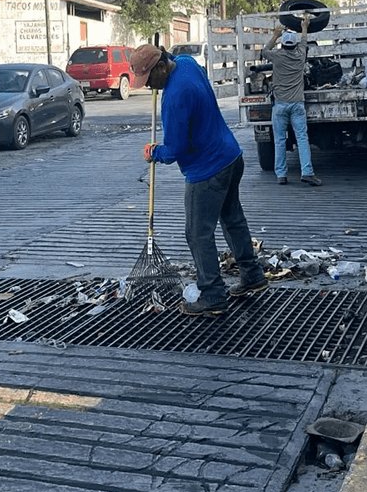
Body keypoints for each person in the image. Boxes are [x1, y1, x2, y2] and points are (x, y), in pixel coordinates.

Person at [133, 45, 268, 316]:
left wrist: (154, 153)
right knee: (232, 219)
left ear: (160, 67)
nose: (149, 87)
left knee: (197, 233)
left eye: (149, 80)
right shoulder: (185, 63)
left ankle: (212, 294)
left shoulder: (174, 98)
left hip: (207, 172)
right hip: (231, 156)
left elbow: (176, 149)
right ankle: (252, 276)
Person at [259, 27, 322, 186]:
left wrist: (274, 36)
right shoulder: (301, 56)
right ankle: (307, 172)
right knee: (302, 138)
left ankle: (281, 175)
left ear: (283, 45)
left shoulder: (277, 56)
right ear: (294, 45)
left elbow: (264, 51)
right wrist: (305, 27)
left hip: (280, 105)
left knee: (280, 140)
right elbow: (304, 41)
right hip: (297, 105)